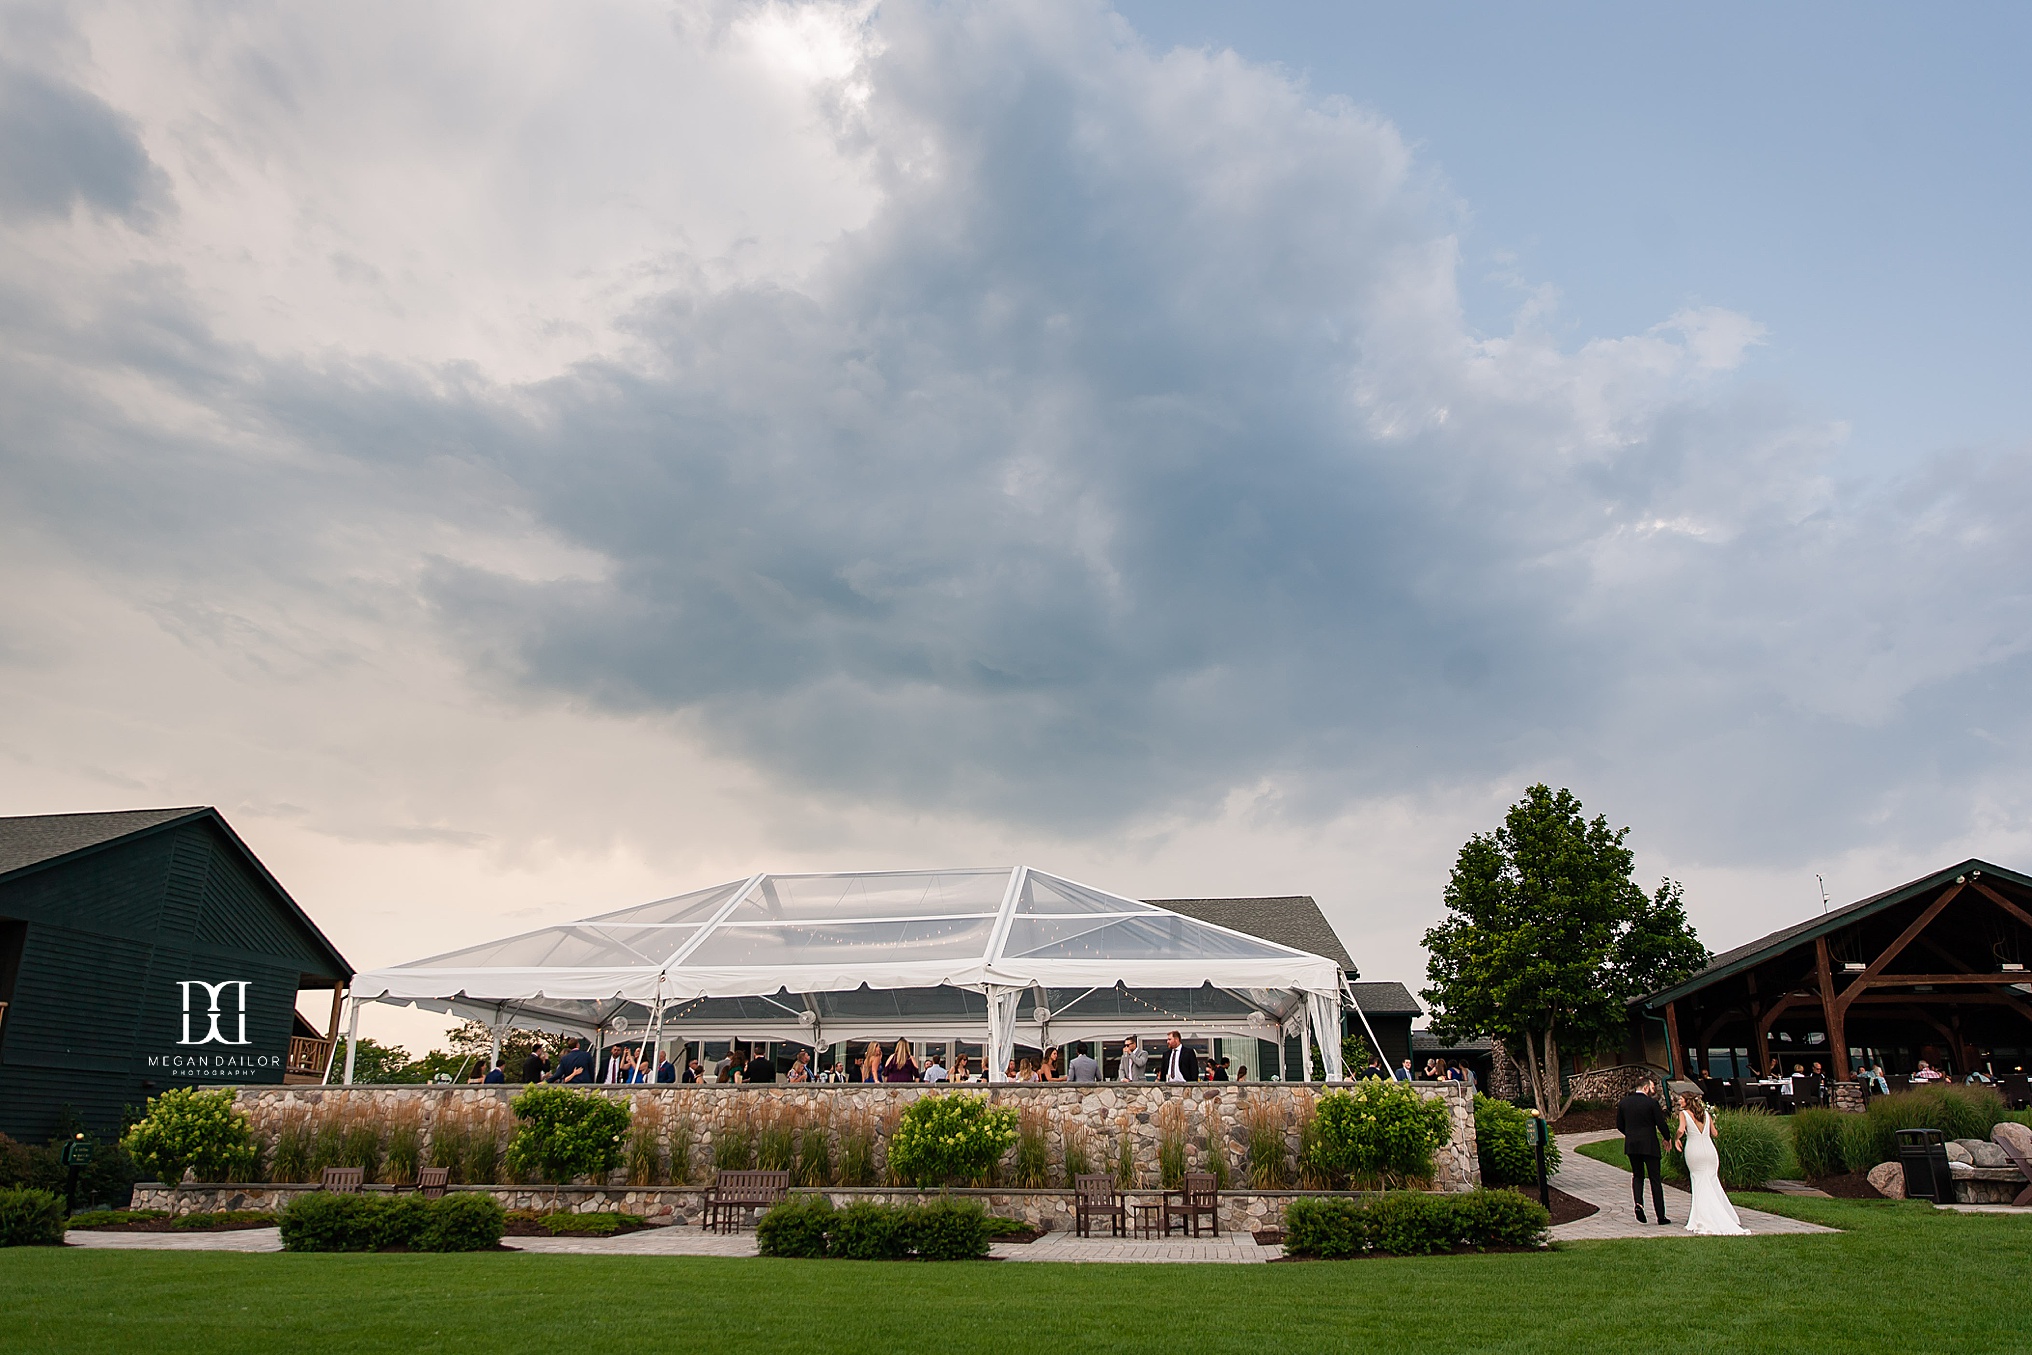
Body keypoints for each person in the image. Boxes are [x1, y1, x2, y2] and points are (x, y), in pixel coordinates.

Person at [1677, 1089, 1749, 1235]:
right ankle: (1723, 1212)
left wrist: (1677, 1138)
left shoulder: (1683, 1114)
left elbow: (1680, 1129)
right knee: (1711, 1180)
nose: (1679, 1101)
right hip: (1710, 1151)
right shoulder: (1706, 1114)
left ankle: (1704, 1215)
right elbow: (1715, 1133)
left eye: (1681, 1099)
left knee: (1698, 1180)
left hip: (1694, 1150)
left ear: (1687, 1101)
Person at [1616, 1075, 1676, 1225]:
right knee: (1655, 1179)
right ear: (1645, 1088)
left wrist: (1629, 1134)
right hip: (1649, 1144)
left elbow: (1619, 1125)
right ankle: (1660, 1216)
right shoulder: (1651, 1104)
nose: (1653, 1090)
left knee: (1637, 1176)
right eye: (1652, 1088)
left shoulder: (1624, 1103)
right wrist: (1667, 1138)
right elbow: (1661, 1123)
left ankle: (1638, 1204)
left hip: (1632, 1145)